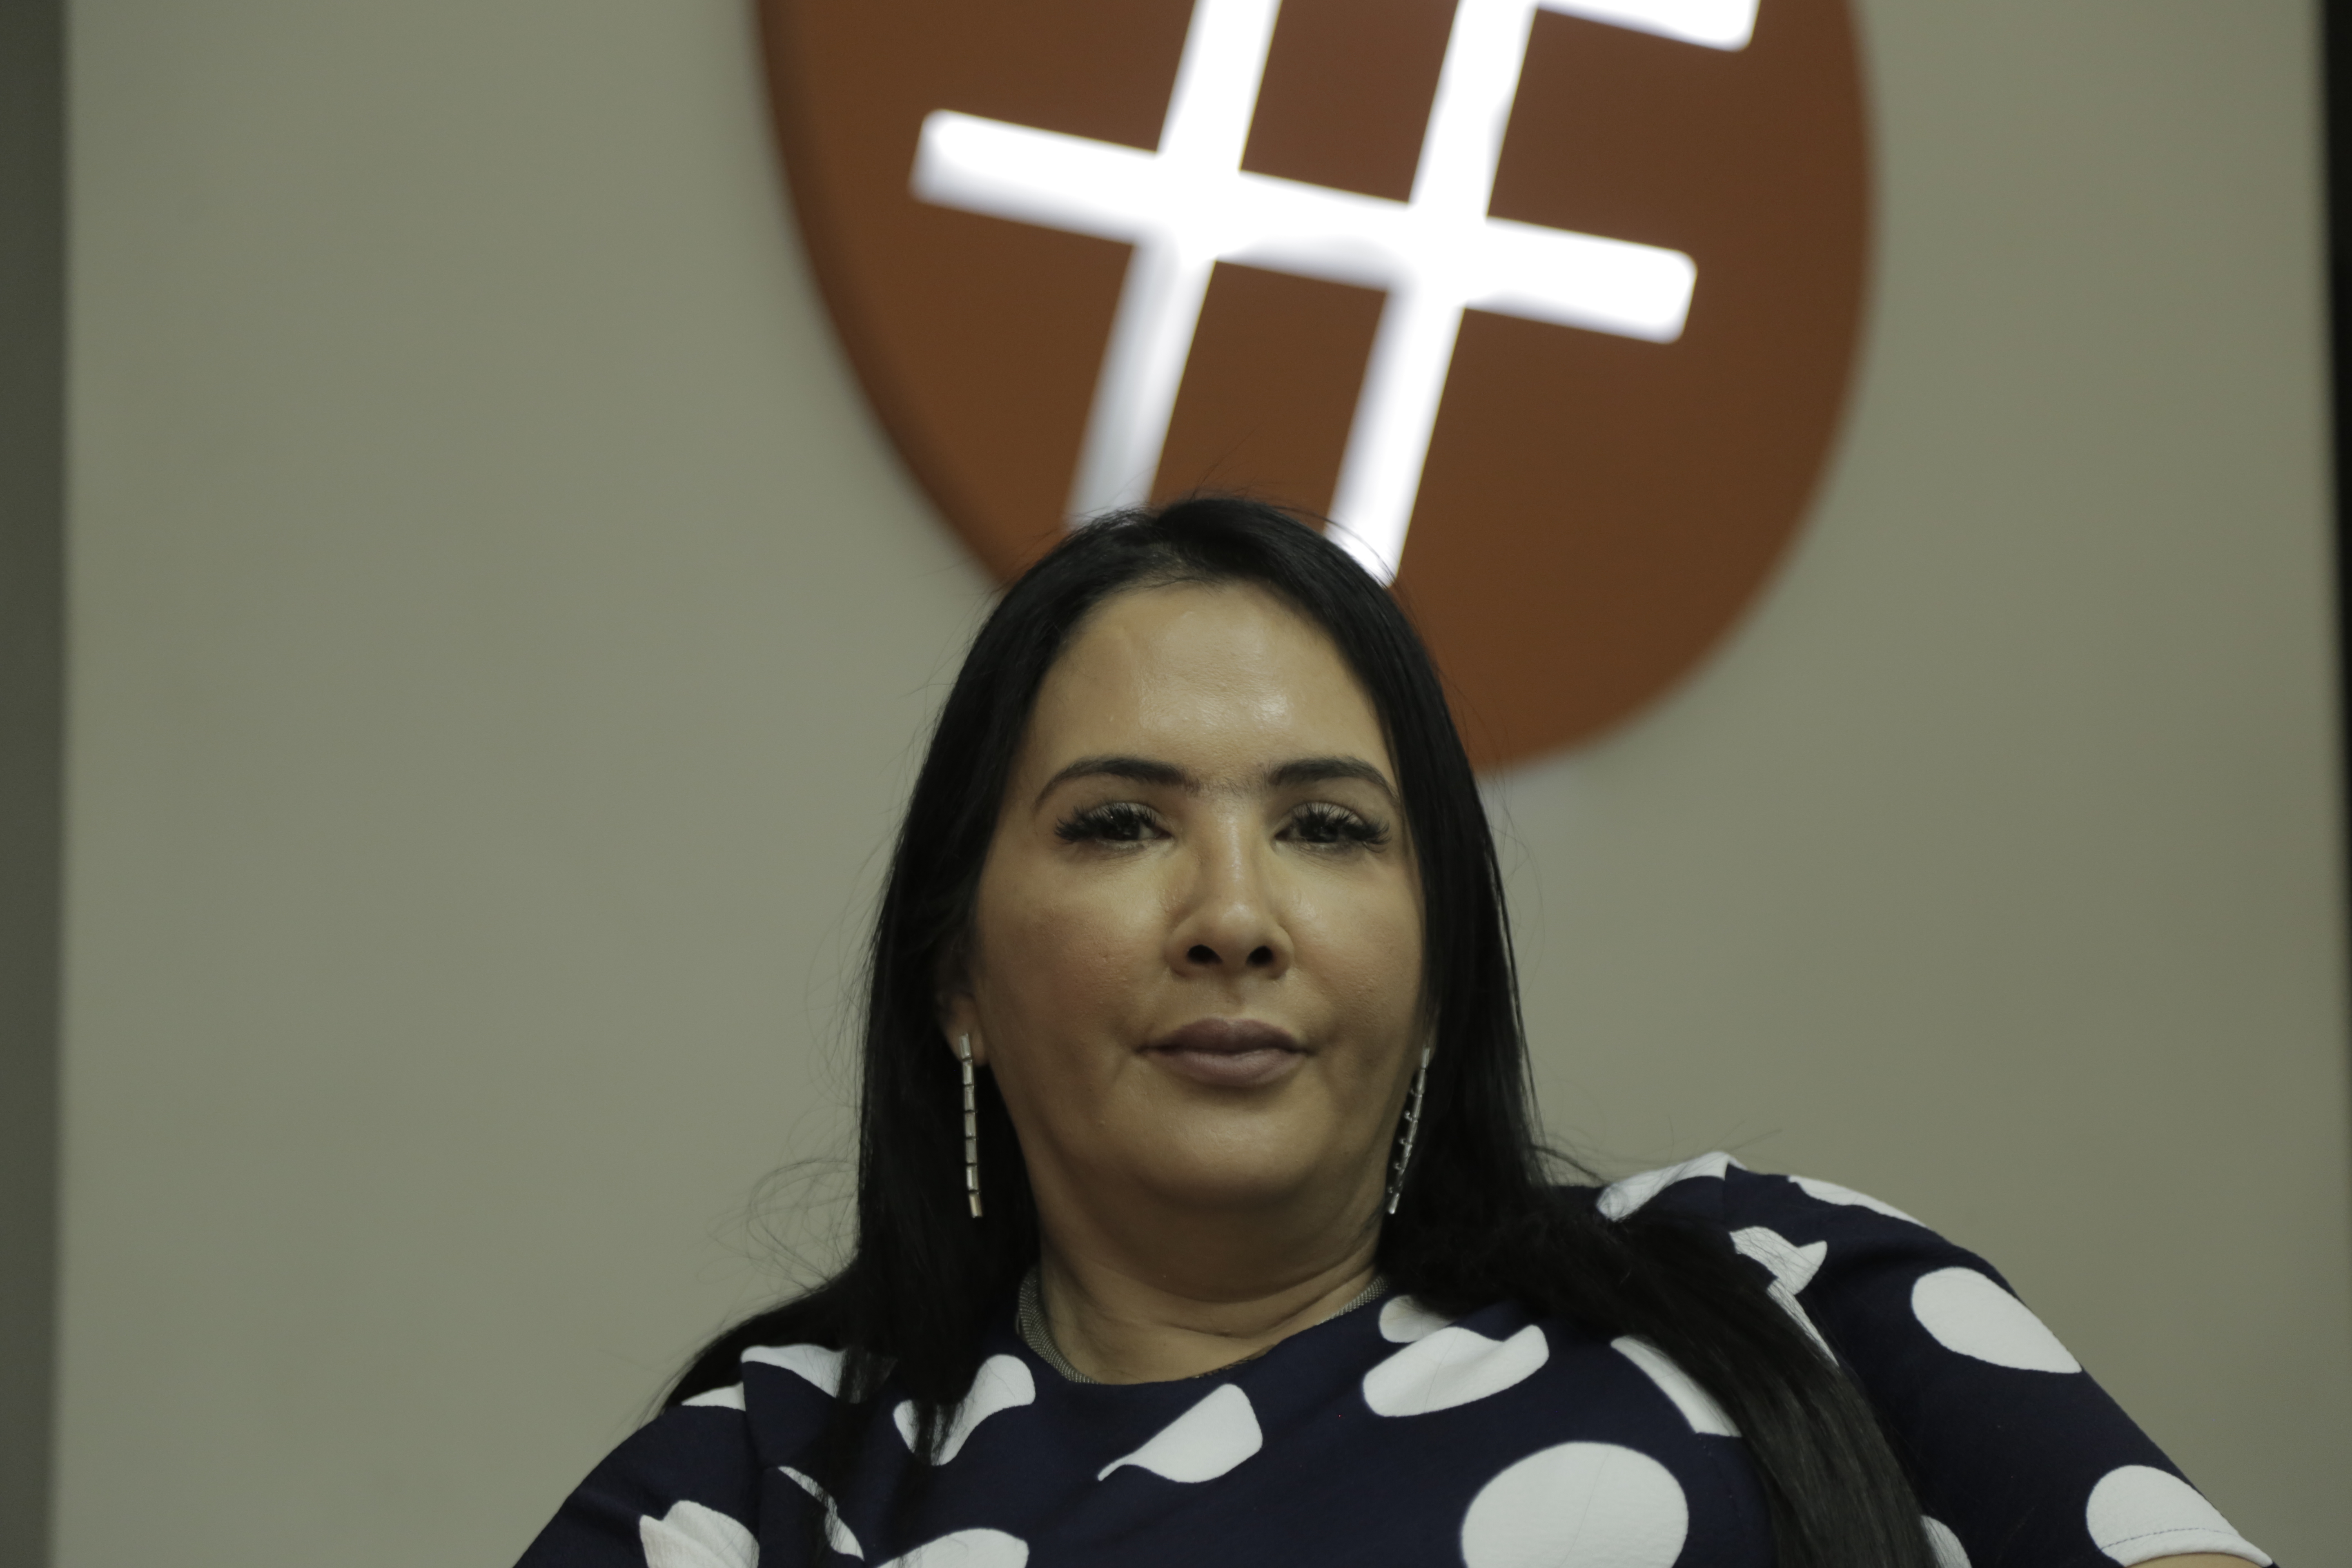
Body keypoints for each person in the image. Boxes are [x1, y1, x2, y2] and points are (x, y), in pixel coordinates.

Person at [517, 497, 2272, 1568]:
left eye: (1329, 827)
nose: (1233, 914)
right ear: (954, 978)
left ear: (1438, 974)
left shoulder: (1775, 1286)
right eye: (1118, 824)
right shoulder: (760, 1489)